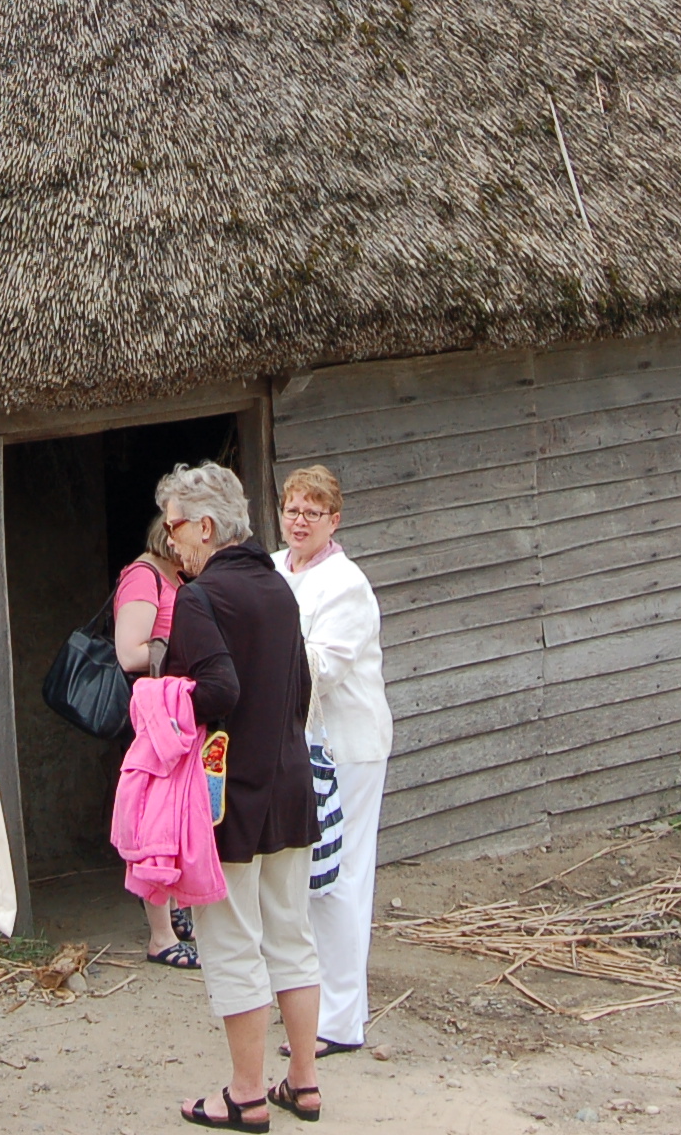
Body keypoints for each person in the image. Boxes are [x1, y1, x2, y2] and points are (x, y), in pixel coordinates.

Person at [159, 460, 322, 1131]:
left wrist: (162, 697)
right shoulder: (279, 587)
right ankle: (303, 1084)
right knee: (292, 935)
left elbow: (217, 690)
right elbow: (303, 689)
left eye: (175, 529)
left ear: (204, 525)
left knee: (231, 942)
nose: (172, 543)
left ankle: (246, 1093)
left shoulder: (200, 599)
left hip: (228, 798)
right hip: (289, 784)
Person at [273, 464, 392, 1057]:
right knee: (304, 877)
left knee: (340, 878)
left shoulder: (345, 585)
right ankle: (310, 1005)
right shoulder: (273, 568)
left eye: (312, 512)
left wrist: (257, 656)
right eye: (293, 509)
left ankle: (342, 1020)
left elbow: (321, 667)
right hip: (299, 745)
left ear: (334, 521)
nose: (299, 520)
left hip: (347, 746)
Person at [116, 516, 198, 968]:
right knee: (156, 824)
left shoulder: (174, 575)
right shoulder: (142, 577)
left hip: (176, 712)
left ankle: (178, 914)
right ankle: (161, 937)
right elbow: (130, 652)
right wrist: (190, 643)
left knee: (180, 816)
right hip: (155, 714)